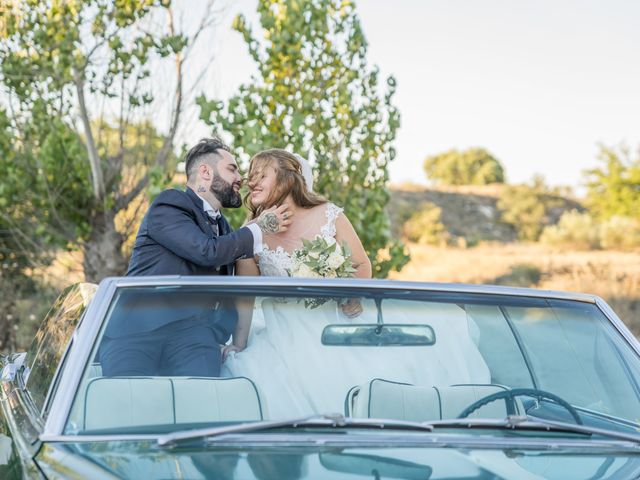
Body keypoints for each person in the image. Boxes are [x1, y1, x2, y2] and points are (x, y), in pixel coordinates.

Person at [100, 138, 292, 377]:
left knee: (203, 399)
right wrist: (260, 227)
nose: (240, 179)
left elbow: (234, 289)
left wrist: (219, 335)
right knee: (129, 402)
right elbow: (206, 251)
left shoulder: (226, 229)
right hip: (137, 333)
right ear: (205, 172)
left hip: (194, 338)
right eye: (232, 169)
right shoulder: (169, 204)